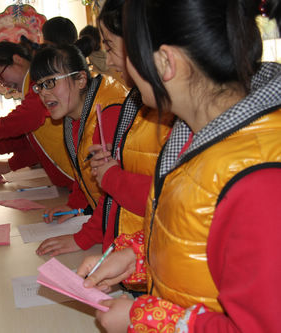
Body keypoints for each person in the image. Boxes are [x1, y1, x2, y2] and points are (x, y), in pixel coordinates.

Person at [77, 0, 281, 331]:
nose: (125, 65)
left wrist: (142, 318)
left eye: (133, 52)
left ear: (165, 62)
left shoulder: (260, 178)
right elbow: (199, 235)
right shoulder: (198, 134)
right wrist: (138, 257)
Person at [35, 0, 174, 297]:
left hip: (144, 264)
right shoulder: (131, 107)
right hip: (130, 255)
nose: (108, 63)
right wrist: (78, 208)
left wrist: (86, 236)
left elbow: (165, 202)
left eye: (111, 48)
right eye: (39, 86)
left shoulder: (113, 110)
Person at [29, 41, 129, 220]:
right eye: (40, 86)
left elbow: (117, 196)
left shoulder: (109, 114)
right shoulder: (74, 116)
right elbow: (85, 172)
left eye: (50, 82)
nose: (43, 93)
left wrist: (82, 238)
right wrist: (73, 206)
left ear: (81, 80)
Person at [0, 41, 76, 189]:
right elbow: (33, 142)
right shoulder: (29, 88)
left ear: (17, 60)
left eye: (1, 75)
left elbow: (30, 116)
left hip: (74, 174)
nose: (3, 83)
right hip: (68, 178)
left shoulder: (38, 80)